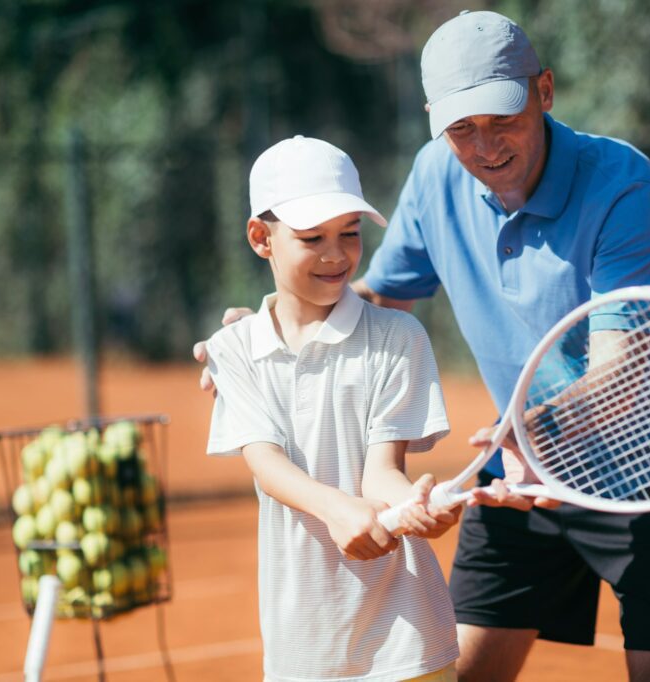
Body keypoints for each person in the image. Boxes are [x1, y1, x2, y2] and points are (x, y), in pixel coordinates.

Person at [196, 11, 650, 682]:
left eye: (504, 120)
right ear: (434, 121)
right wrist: (269, 329)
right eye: (462, 128)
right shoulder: (436, 175)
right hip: (518, 472)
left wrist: (531, 434)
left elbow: (620, 371)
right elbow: (371, 303)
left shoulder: (626, 190)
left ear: (545, 92)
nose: (485, 147)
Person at [204, 134, 461, 682]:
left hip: (408, 642)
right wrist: (335, 509)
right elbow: (267, 464)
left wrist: (414, 506)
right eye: (312, 237)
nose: (337, 254)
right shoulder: (231, 348)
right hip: (304, 647)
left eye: (350, 233)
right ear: (261, 238)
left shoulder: (399, 337)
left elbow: (382, 473)